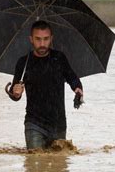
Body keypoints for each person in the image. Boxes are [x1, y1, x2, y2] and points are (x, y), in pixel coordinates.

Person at [8, 20, 83, 150]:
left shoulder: (59, 58)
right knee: (35, 163)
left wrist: (78, 89)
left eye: (46, 39)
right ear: (31, 39)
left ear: (51, 38)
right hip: (34, 123)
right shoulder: (24, 63)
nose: (42, 44)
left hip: (58, 124)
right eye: (38, 39)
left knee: (58, 166)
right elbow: (15, 94)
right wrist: (15, 93)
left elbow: (72, 78)